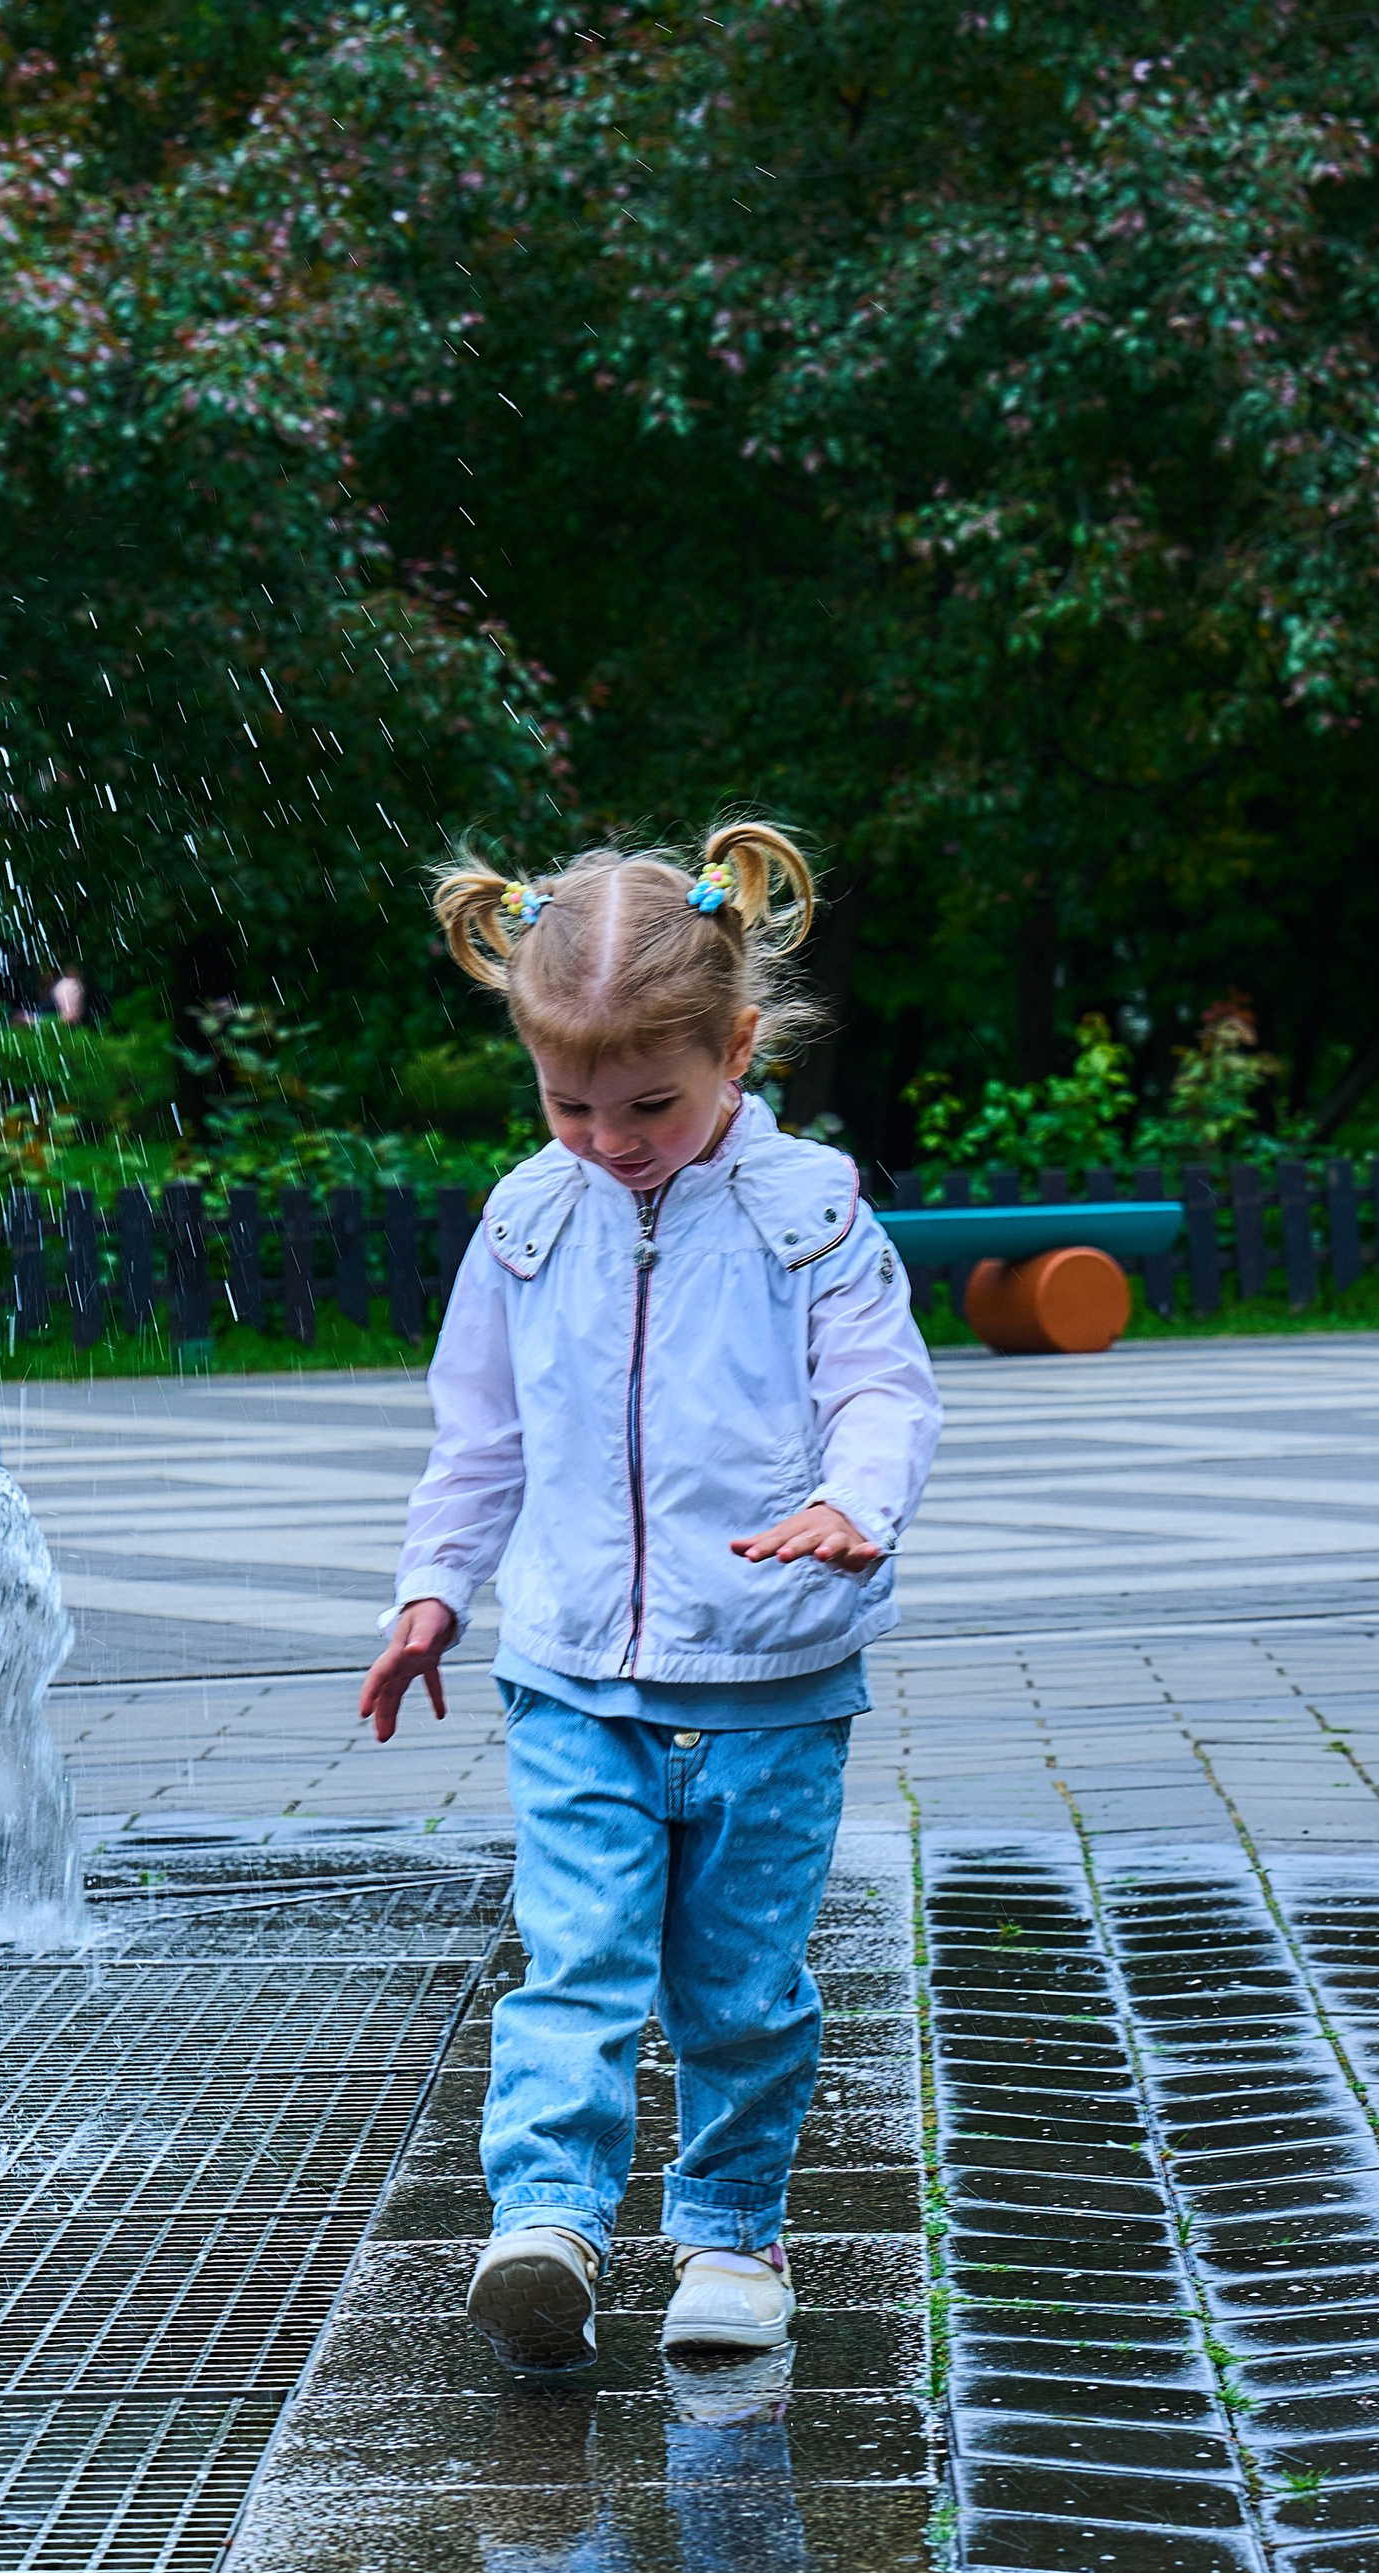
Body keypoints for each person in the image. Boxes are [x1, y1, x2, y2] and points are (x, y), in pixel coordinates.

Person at [358, 828, 941, 2367]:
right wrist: (433, 1590)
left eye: (650, 1105)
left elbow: (884, 1390)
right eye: (570, 1102)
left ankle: (733, 2238)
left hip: (767, 1681)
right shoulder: (527, 1220)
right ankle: (545, 2222)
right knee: (579, 1960)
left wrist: (851, 1506)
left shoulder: (806, 1215)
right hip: (570, 1679)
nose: (609, 1138)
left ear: (738, 1047)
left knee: (739, 1989)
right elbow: (477, 1436)